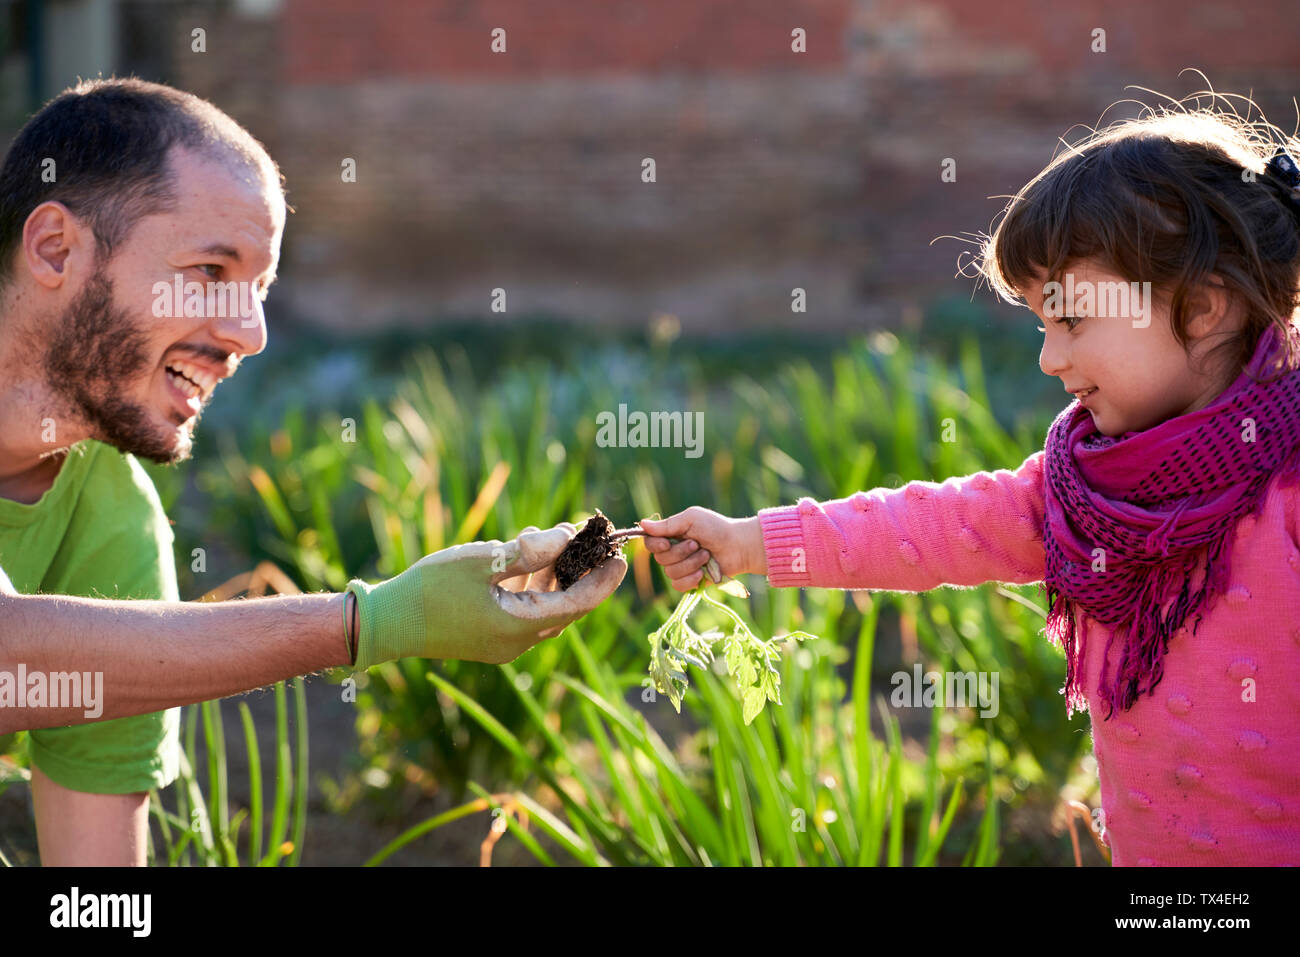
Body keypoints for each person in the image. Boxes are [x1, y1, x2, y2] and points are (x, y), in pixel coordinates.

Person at [641, 94, 1300, 866]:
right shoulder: (1080, 492)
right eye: (1042, 327)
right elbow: (929, 528)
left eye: (1074, 321)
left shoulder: (1285, 490)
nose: (1050, 359)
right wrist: (749, 541)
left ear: (1206, 310)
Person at [0, 77, 625, 865]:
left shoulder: (110, 516)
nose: (251, 334)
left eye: (261, 290)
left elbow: (92, 891)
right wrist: (382, 621)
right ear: (56, 248)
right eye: (210, 271)